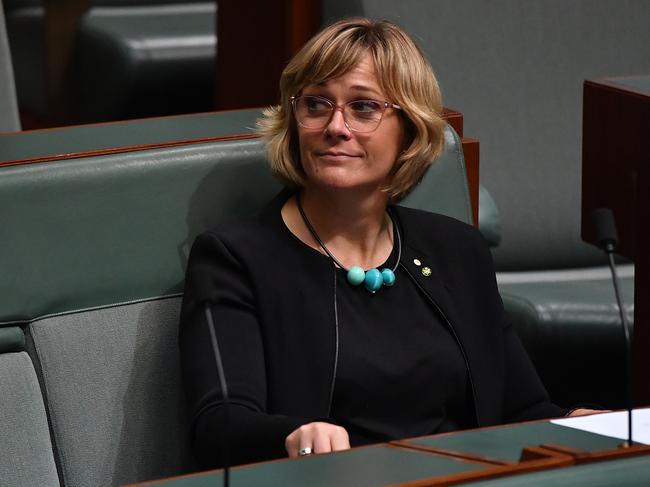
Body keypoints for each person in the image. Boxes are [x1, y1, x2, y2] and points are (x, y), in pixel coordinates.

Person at [179, 17, 583, 469]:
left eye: (364, 108)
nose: (335, 126)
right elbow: (219, 426)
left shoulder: (456, 250)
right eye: (316, 104)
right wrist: (294, 436)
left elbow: (522, 411)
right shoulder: (236, 258)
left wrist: (579, 423)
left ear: (409, 129)